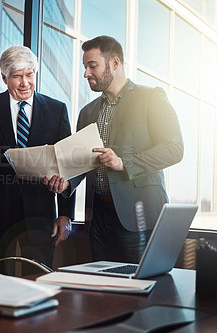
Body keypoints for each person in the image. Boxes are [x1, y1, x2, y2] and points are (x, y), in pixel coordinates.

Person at [44, 35, 184, 263]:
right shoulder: (87, 112)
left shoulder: (151, 98)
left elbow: (175, 148)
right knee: (104, 289)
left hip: (138, 216)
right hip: (98, 217)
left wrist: (124, 162)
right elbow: (82, 161)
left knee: (138, 289)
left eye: (92, 66)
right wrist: (67, 182)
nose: (86, 73)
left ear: (115, 63)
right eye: (84, 67)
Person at [0, 45, 75, 270]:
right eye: (17, 76)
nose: (25, 82)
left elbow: (67, 164)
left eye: (29, 75)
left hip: (40, 214)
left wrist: (66, 214)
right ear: (4, 77)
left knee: (37, 281)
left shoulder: (57, 111)